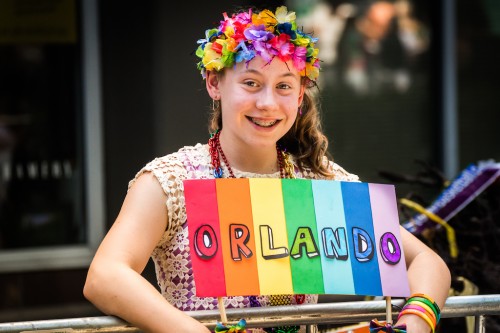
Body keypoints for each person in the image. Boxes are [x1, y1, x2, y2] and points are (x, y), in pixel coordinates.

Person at [83, 5, 451, 333]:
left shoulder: (320, 180)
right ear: (214, 83)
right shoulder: (172, 180)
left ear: (300, 95)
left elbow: (425, 261)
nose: (267, 103)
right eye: (251, 83)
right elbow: (105, 275)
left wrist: (414, 323)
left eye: (284, 87)